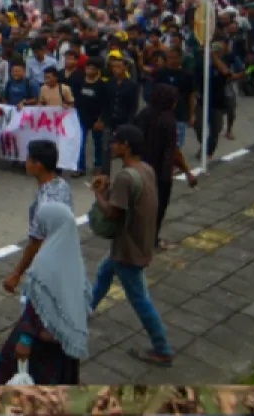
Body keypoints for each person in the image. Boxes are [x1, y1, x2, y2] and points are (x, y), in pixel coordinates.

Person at [89, 124, 173, 368]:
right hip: (138, 242)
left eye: (115, 142)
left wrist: (98, 194)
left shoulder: (126, 176)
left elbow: (113, 213)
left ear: (126, 146)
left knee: (139, 299)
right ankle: (87, 309)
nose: (112, 146)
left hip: (128, 248)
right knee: (105, 273)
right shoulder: (145, 169)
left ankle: (162, 349)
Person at [0, 202, 91, 384]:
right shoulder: (74, 258)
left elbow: (37, 305)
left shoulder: (46, 261)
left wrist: (25, 338)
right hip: (64, 343)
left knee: (9, 369)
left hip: (41, 341)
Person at [4, 141, 73, 294]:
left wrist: (16, 274)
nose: (26, 162)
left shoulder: (45, 203)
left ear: (38, 165)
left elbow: (35, 242)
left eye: (29, 159)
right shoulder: (62, 185)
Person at [135, 84, 197, 250]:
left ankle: (137, 237)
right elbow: (174, 151)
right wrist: (187, 172)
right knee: (158, 208)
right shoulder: (169, 121)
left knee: (138, 206)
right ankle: (152, 240)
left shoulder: (144, 114)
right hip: (160, 172)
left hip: (139, 168)